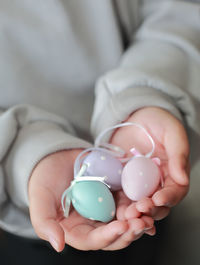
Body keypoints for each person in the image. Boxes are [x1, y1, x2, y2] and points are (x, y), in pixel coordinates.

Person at [0, 0, 199, 261]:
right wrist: (21, 155)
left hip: (145, 199)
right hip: (28, 214)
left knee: (144, 232)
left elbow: (180, 11)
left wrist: (148, 93)